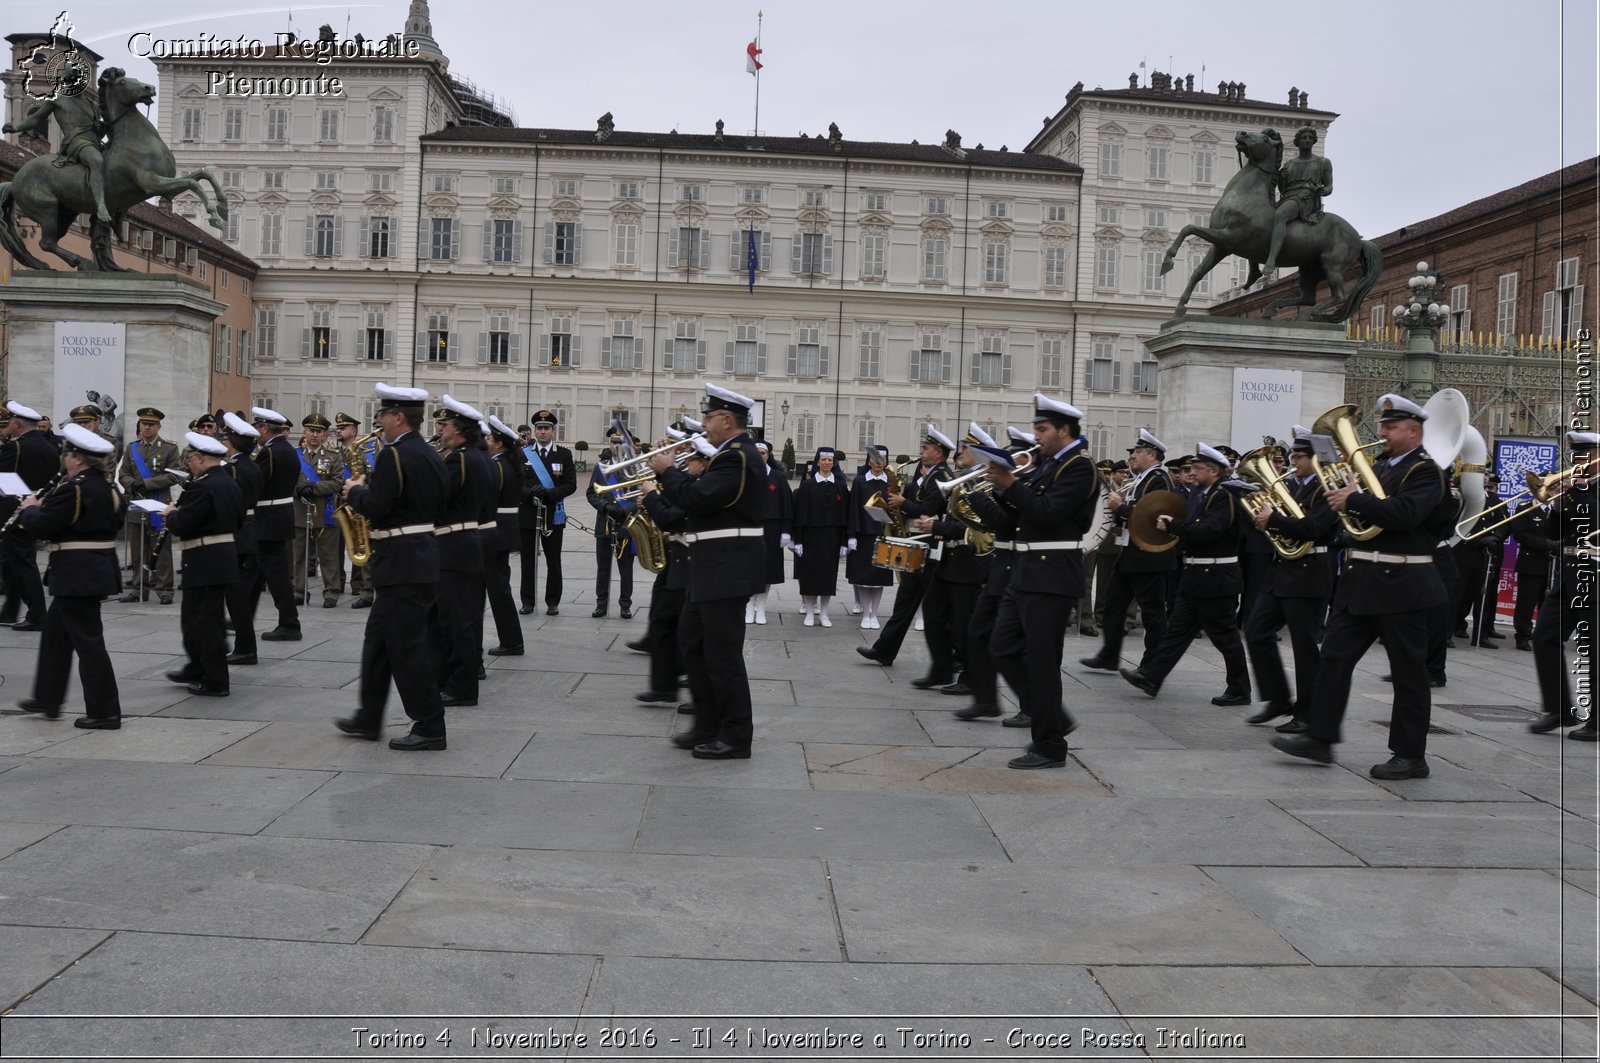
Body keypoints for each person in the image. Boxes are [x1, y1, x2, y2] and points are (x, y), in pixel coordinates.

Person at [1273, 394, 1451, 779]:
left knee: (1408, 674)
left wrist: (1354, 498)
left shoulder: (1426, 471)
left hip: (1403, 585)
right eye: (1383, 426)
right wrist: (1347, 501)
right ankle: (1320, 738)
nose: (1382, 432)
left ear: (1413, 431)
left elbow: (1405, 515)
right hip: (1362, 583)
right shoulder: (1383, 466)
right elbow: (1364, 523)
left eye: (1390, 427)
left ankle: (1410, 755)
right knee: (1333, 659)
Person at [974, 393, 1099, 769]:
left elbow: (1047, 513)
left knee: (1042, 663)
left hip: (1052, 574)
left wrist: (1011, 483)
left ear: (1064, 430)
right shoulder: (1047, 464)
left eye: (1043, 429)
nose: (1037, 436)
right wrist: (999, 487)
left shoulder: (1079, 467)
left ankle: (1049, 744)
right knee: (1002, 647)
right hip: (1026, 571)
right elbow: (1019, 513)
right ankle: (1053, 717)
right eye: (1036, 429)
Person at [648, 384, 766, 760]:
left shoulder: (738, 456)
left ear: (726, 420)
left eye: (708, 417)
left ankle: (735, 735)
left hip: (726, 567)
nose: (703, 424)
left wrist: (666, 475)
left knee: (722, 655)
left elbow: (698, 498)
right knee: (693, 645)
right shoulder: (731, 455)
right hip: (712, 566)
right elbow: (701, 505)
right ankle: (706, 722)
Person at [336, 383, 450, 751]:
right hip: (413, 556)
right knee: (379, 643)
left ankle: (430, 725)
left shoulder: (395, 454)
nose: (379, 421)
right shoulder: (429, 452)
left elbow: (379, 505)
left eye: (383, 414)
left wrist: (355, 490)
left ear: (398, 417)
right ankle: (369, 716)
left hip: (402, 560)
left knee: (407, 648)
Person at [1118, 443, 1251, 705]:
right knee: (1175, 632)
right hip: (1196, 577)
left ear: (1213, 472)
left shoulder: (1223, 497)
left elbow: (1207, 532)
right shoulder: (1202, 496)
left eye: (1198, 468)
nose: (1191, 473)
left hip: (1217, 578)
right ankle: (1151, 677)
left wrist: (1173, 525)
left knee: (1225, 637)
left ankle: (1240, 689)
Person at [14, 423, 124, 728]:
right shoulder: (108, 487)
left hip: (78, 573)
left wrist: (30, 509)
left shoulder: (74, 488)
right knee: (55, 637)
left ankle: (105, 712)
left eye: (67, 454)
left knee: (89, 644)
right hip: (91, 569)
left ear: (76, 458)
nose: (64, 459)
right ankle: (47, 698)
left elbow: (41, 527)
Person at [1242, 428, 1338, 731]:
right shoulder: (1293, 487)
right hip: (1282, 571)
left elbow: (1313, 528)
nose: (1292, 461)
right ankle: (1277, 699)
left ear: (1314, 459)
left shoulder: (1328, 487)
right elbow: (1284, 525)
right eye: (1292, 456)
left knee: (1305, 647)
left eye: (1298, 457)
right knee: (1255, 631)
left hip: (1310, 573)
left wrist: (1274, 519)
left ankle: (1307, 714)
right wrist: (1265, 517)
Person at [951, 429, 1032, 724]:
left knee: (1013, 644)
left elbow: (1003, 523)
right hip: (1000, 567)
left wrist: (977, 496)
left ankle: (1032, 707)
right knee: (978, 632)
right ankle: (985, 700)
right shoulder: (1010, 488)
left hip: (1016, 567)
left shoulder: (1025, 487)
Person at [856, 425, 954, 667]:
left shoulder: (942, 476)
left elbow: (929, 510)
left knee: (933, 609)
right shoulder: (930, 473)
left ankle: (955, 658)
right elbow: (916, 497)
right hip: (918, 546)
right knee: (905, 602)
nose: (921, 451)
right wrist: (899, 492)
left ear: (939, 452)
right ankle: (884, 650)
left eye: (926, 448)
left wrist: (904, 503)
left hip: (931, 547)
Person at [1081, 429, 1177, 672]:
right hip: (1132, 555)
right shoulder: (1142, 479)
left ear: (1152, 455)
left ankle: (1152, 664)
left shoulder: (1159, 479)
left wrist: (1121, 508)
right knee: (1113, 606)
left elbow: (1154, 517)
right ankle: (1109, 656)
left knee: (1153, 614)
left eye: (1137, 451)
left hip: (1149, 557)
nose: (1132, 456)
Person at [912, 423, 996, 690]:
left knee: (964, 623)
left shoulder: (984, 483)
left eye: (965, 448)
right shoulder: (965, 478)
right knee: (933, 613)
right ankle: (941, 669)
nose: (960, 451)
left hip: (969, 561)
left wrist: (937, 527)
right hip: (949, 558)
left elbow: (979, 526)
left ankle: (972, 678)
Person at [160, 432, 244, 697]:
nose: (188, 464)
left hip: (205, 558)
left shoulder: (203, 485)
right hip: (219, 557)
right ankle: (196, 666)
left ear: (199, 458)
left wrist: (172, 515)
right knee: (199, 618)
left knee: (204, 622)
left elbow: (184, 524)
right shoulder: (227, 481)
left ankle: (216, 680)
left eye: (190, 459)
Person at [1530, 432, 1598, 738]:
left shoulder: (1586, 490)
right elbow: (1556, 532)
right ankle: (1559, 709)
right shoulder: (1575, 491)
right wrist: (1556, 507)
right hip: (1569, 576)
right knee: (1544, 636)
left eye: (1585, 454)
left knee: (1594, 650)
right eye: (1575, 455)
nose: (1578, 461)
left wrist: (1575, 492)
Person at [428, 397, 494, 706]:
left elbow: (437, 499)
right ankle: (453, 681)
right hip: (467, 543)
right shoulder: (479, 458)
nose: (442, 431)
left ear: (461, 430)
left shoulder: (459, 460)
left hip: (452, 547)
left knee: (455, 622)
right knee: (460, 619)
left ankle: (460, 687)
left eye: (448, 425)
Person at [635, 440, 710, 705]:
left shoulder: (700, 486)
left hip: (690, 562)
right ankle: (663, 685)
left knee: (690, 634)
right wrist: (655, 484)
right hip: (674, 560)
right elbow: (669, 501)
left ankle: (699, 694)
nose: (685, 465)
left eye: (690, 460)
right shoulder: (689, 481)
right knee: (660, 622)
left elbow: (672, 516)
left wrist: (652, 497)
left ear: (702, 463)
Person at [2, 56, 113, 224]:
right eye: (74, 77)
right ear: (67, 78)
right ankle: (101, 207)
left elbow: (99, 126)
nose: (78, 81)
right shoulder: (57, 99)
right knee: (96, 161)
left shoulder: (91, 104)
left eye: (81, 78)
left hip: (95, 142)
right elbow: (35, 118)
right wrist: (16, 127)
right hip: (77, 142)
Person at [116, 407, 181, 606]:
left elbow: (175, 475)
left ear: (158, 426)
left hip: (160, 505)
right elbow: (123, 472)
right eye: (144, 424)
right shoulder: (132, 447)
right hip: (137, 504)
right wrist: (130, 484)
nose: (147, 428)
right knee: (137, 549)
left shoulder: (169, 448)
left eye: (151, 425)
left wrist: (147, 483)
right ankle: (138, 588)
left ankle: (164, 589)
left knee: (161, 550)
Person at [248, 407, 302, 641]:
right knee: (252, 572)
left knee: (277, 576)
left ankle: (290, 623)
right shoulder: (287, 449)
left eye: (257, 429)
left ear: (264, 428)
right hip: (278, 516)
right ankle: (243, 614)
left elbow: (255, 484)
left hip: (268, 519)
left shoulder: (269, 453)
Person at [519, 409, 576, 616]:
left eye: (547, 428)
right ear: (534, 431)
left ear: (553, 431)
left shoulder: (563, 454)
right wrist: (528, 493)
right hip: (528, 513)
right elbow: (516, 482)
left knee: (553, 560)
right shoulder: (524, 453)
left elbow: (571, 485)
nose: (543, 432)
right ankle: (528, 601)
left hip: (553, 514)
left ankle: (553, 601)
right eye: (539, 428)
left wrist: (551, 492)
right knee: (527, 560)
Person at [219, 413, 264, 666]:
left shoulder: (232, 469)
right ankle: (245, 648)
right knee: (240, 597)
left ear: (232, 442)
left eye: (226, 438)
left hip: (238, 533)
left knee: (236, 599)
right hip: (251, 530)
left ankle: (245, 649)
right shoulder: (252, 465)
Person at [290, 412, 346, 608]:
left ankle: (331, 592)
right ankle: (298, 590)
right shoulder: (294, 456)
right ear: (304, 432)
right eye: (310, 430)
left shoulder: (333, 456)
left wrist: (314, 488)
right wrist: (297, 488)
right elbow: (287, 479)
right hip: (300, 509)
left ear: (324, 435)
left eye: (318, 432)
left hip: (325, 510)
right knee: (299, 554)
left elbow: (338, 482)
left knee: (329, 555)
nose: (314, 435)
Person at [1262, 125, 1333, 276]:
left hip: (1306, 198)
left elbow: (1329, 187)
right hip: (1289, 197)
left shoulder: (1323, 163)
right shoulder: (1289, 165)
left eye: (1310, 138)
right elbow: (1282, 190)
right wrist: (1282, 179)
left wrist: (1323, 190)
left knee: (1281, 215)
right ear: (1297, 142)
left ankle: (1271, 260)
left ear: (1314, 141)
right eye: (1304, 138)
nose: (1307, 140)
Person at [483, 416, 528, 657]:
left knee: (498, 589)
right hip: (505, 528)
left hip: (497, 530)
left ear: (499, 444)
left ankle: (511, 642)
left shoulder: (497, 465)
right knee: (500, 588)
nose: (486, 441)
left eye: (489, 438)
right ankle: (511, 640)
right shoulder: (506, 463)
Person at [791, 446, 850, 626]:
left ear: (833, 463)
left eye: (829, 460)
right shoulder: (808, 485)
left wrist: (845, 542)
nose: (826, 463)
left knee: (828, 576)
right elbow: (800, 514)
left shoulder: (840, 486)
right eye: (823, 460)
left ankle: (824, 614)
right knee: (809, 575)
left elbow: (845, 515)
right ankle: (809, 612)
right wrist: (797, 540)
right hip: (810, 537)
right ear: (817, 462)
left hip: (832, 537)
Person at [586, 428, 637, 619]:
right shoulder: (600, 468)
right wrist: (604, 506)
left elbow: (639, 495)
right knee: (603, 568)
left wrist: (625, 509)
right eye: (614, 443)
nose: (617, 446)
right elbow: (592, 493)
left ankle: (625, 604)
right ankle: (601, 603)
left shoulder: (634, 469)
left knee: (626, 569)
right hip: (605, 524)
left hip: (625, 524)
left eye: (621, 443)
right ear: (610, 444)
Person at [846, 446, 894, 629]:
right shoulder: (860, 482)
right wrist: (852, 535)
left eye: (882, 459)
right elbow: (854, 509)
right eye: (875, 459)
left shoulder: (890, 482)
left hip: (884, 535)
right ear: (869, 461)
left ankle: (875, 613)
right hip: (864, 535)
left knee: (879, 578)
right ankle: (866, 613)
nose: (879, 463)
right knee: (865, 578)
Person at [335, 413, 377, 608]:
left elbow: (371, 475)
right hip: (341, 503)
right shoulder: (335, 451)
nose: (338, 431)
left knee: (364, 545)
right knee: (338, 549)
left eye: (343, 428)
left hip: (361, 503)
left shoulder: (365, 450)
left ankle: (365, 590)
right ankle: (341, 584)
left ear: (353, 431)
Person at [749, 439, 793, 625]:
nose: (760, 456)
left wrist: (786, 531)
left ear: (768, 455)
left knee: (768, 570)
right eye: (756, 453)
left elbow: (787, 505)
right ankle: (749, 606)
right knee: (750, 569)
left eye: (763, 453)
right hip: (750, 530)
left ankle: (762, 607)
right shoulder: (745, 475)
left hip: (772, 530)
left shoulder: (778, 477)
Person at [1509, 489, 1556, 651]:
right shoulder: (1525, 507)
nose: (1553, 491)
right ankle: (1523, 636)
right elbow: (1520, 534)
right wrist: (1546, 544)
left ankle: (1544, 636)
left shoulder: (1558, 509)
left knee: (1549, 605)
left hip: (1553, 564)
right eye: (1550, 488)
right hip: (1531, 563)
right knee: (1526, 603)